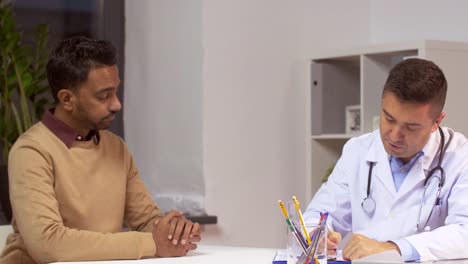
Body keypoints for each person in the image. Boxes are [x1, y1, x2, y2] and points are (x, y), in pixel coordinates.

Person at [0, 36, 201, 263]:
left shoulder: (116, 147)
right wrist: (153, 243)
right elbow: (48, 244)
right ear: (67, 99)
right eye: (104, 95)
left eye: (115, 92)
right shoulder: (31, 151)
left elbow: (147, 221)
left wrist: (174, 232)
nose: (116, 104)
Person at [303, 58, 468, 262]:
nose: (395, 135)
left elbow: (465, 231)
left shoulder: (460, 157)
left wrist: (393, 248)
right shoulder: (358, 150)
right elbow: (321, 214)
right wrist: (317, 235)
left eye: (411, 127)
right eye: (389, 118)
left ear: (437, 122)